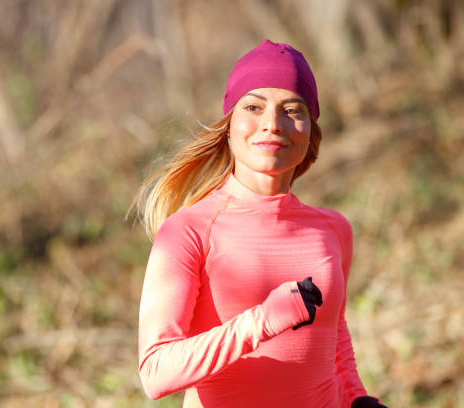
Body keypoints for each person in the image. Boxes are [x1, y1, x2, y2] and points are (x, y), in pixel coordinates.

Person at [130, 40, 387, 408]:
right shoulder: (188, 231)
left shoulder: (333, 230)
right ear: (229, 126)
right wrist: (262, 321)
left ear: (310, 131)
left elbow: (334, 337)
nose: (272, 124)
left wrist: (357, 398)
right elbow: (155, 372)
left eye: (292, 110)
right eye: (254, 107)